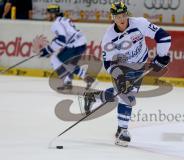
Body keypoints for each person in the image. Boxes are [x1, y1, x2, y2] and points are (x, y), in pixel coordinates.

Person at [83, 1, 171, 147]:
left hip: (140, 64)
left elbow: (164, 37)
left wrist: (161, 57)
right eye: (118, 16)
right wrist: (119, 77)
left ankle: (94, 96)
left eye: (123, 15)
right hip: (120, 67)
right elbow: (108, 63)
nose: (122, 19)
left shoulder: (140, 23)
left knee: (122, 93)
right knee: (127, 96)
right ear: (113, 17)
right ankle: (122, 131)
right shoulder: (108, 37)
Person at [39, 4, 94, 90]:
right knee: (66, 62)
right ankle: (71, 80)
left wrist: (47, 50)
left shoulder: (56, 24)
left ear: (53, 14)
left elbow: (61, 39)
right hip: (80, 43)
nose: (47, 15)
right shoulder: (62, 20)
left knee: (59, 60)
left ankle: (78, 78)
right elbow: (63, 38)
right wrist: (48, 49)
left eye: (48, 13)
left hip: (75, 45)